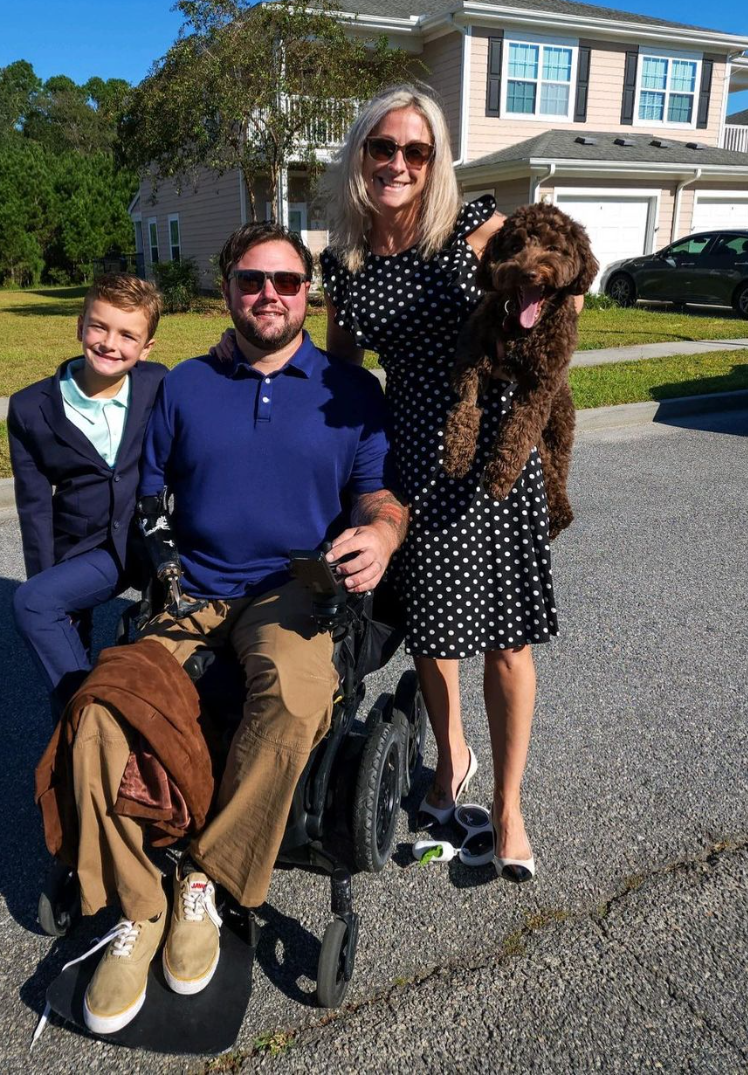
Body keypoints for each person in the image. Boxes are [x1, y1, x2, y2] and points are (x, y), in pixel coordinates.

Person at [54, 222, 408, 1035]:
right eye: (253, 280)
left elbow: (377, 495)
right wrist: (160, 561)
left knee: (293, 689)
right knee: (101, 701)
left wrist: (382, 534)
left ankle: (208, 881)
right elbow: (148, 495)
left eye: (287, 282)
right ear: (227, 289)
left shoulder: (351, 392)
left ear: (307, 292)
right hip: (195, 586)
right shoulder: (183, 385)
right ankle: (138, 905)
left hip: (292, 588)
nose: (270, 295)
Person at [321, 84, 579, 882]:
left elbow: (557, 281)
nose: (397, 163)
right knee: (434, 633)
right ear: (360, 155)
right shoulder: (346, 263)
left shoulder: (474, 229)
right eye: (383, 148)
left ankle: (507, 807)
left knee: (506, 639)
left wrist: (537, 385)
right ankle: (451, 756)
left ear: (435, 163)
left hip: (494, 458)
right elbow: (337, 376)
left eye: (416, 150)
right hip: (413, 463)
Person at [8, 274, 167, 717]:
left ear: (147, 347)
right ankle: (87, 725)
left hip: (149, 537)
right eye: (99, 327)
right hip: (86, 548)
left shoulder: (156, 384)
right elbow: (35, 506)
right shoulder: (29, 408)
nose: (110, 343)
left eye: (127, 335)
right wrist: (45, 581)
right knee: (37, 605)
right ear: (79, 326)